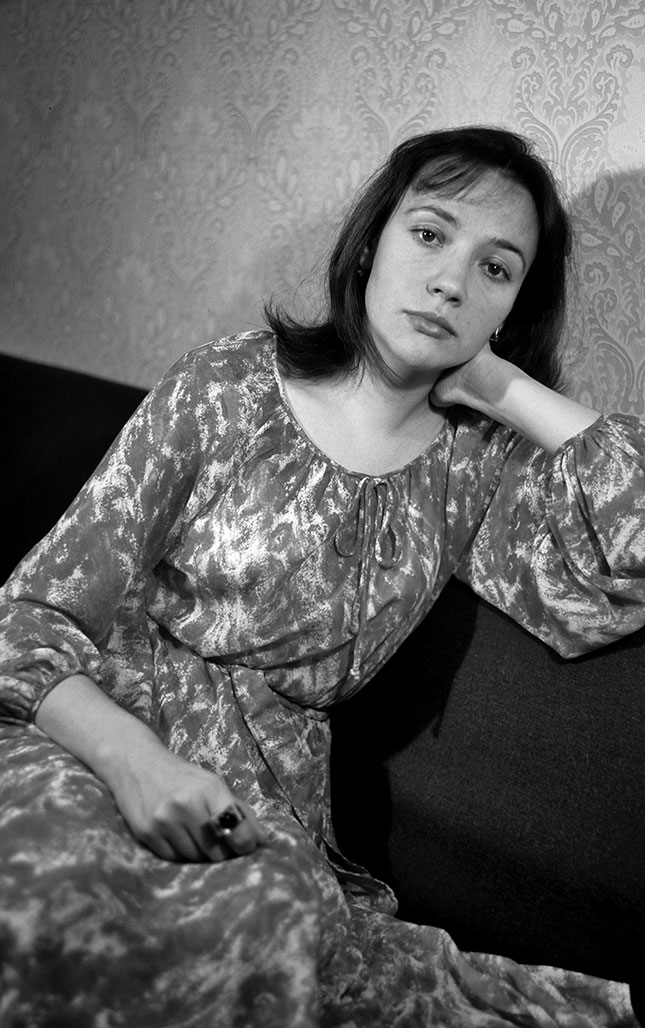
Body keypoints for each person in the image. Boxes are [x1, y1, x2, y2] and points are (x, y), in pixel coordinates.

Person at [0, 126, 643, 1027]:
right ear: (372, 240)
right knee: (44, 894)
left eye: (495, 269)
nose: (451, 282)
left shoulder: (475, 469)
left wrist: (502, 387)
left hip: (261, 791)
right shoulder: (222, 388)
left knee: (253, 936)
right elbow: (28, 616)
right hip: (93, 726)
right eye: (430, 234)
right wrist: (135, 763)